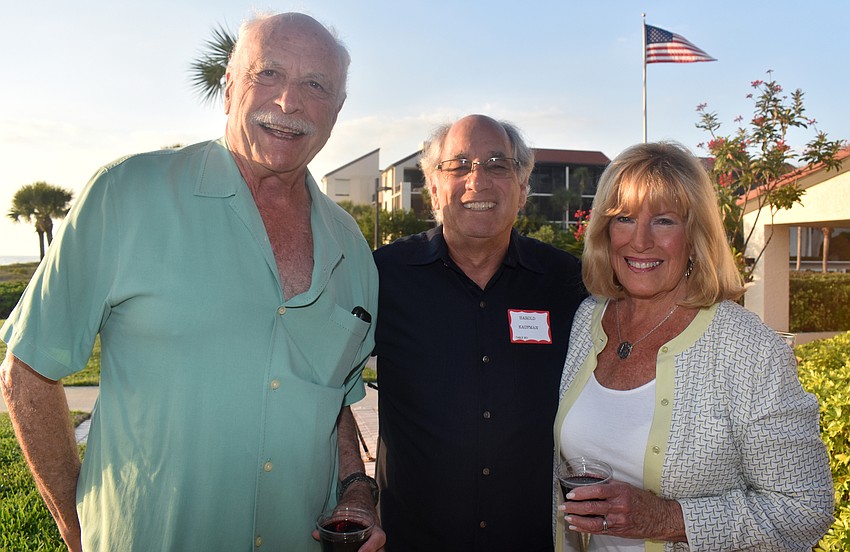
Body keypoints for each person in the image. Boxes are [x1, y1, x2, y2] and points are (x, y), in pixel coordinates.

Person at [0, 12, 385, 552]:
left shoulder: (351, 245)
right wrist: (73, 521)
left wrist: (355, 487)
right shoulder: (126, 195)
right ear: (229, 88)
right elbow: (28, 370)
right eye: (268, 74)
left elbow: (335, 398)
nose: (289, 102)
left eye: (315, 85)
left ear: (337, 110)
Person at [553, 141, 834, 551]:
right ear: (604, 231)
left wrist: (666, 519)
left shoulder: (747, 349)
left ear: (695, 236)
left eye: (664, 221)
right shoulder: (586, 320)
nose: (640, 241)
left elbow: (804, 508)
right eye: (625, 218)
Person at [374, 114, 586, 551]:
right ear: (433, 188)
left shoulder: (567, 283)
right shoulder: (383, 276)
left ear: (523, 188)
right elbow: (328, 383)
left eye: (497, 164)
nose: (478, 180)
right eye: (460, 165)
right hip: (414, 541)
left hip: (529, 540)